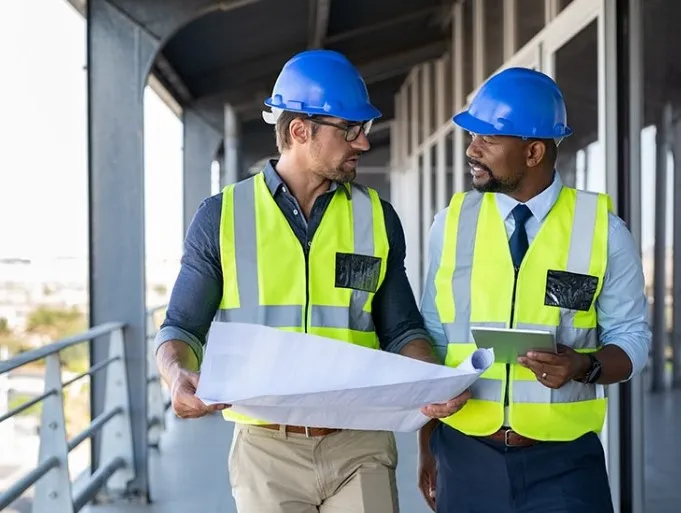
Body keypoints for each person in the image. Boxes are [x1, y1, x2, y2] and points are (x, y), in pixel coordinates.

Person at [154, 49, 468, 513]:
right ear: (300, 131)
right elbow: (180, 326)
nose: (363, 143)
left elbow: (402, 329)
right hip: (266, 452)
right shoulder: (222, 217)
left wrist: (431, 381)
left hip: (361, 445)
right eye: (350, 130)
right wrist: (176, 375)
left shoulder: (377, 217)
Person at [417, 67, 651, 513]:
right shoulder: (449, 225)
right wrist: (426, 445)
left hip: (564, 465)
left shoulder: (603, 231)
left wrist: (585, 365)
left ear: (533, 151)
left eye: (488, 138)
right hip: (465, 454)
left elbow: (633, 337)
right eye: (472, 136)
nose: (472, 149)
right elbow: (434, 336)